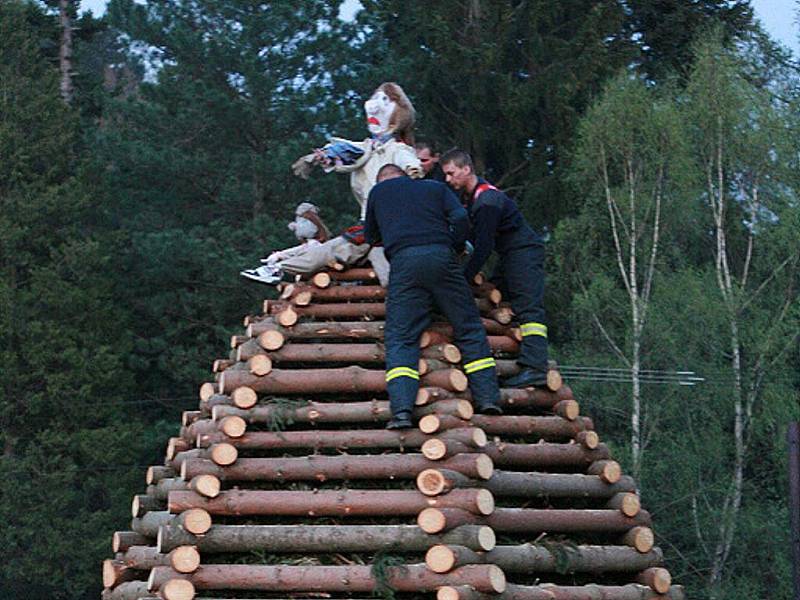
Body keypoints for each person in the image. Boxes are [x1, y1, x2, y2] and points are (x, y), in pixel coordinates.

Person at [365, 164, 502, 429]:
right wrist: (456, 245)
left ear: (381, 180)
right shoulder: (435, 187)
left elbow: (371, 236)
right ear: (406, 177)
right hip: (442, 256)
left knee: (402, 338)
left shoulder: (378, 192)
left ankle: (402, 412)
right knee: (469, 327)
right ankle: (487, 399)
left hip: (404, 265)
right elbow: (461, 218)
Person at [286, 82, 423, 286]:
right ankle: (279, 266)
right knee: (339, 254)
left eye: (384, 100)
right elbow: (345, 149)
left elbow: (410, 164)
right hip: (370, 228)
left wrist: (413, 170)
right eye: (375, 98)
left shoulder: (398, 150)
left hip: (392, 230)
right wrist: (320, 156)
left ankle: (279, 267)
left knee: (379, 267)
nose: (374, 106)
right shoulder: (365, 149)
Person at [440, 149, 549, 388]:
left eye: (451, 173)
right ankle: (516, 359)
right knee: (498, 299)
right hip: (509, 254)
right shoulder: (472, 198)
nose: (448, 180)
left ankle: (536, 368)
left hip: (523, 252)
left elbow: (483, 247)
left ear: (466, 169)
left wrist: (463, 278)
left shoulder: (487, 201)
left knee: (529, 310)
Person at [240, 202, 331, 285]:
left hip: (315, 248)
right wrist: (280, 255)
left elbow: (314, 237)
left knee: (297, 259)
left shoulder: (312, 224)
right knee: (280, 255)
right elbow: (303, 241)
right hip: (309, 246)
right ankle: (271, 271)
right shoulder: (305, 227)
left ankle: (273, 270)